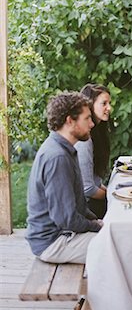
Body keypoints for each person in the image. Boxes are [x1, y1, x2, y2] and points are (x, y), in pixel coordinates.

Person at [26, 92, 103, 264]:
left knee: (116, 241)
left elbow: (78, 208)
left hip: (61, 234)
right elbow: (66, 219)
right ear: (70, 121)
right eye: (87, 118)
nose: (92, 124)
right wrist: (96, 226)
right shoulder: (58, 157)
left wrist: (95, 221)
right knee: (117, 249)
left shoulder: (64, 149)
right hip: (52, 242)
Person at [75, 84, 111, 219]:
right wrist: (113, 197)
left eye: (109, 103)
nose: (109, 108)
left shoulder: (98, 132)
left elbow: (95, 181)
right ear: (90, 105)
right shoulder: (85, 140)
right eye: (104, 103)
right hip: (84, 207)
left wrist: (112, 193)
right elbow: (88, 189)